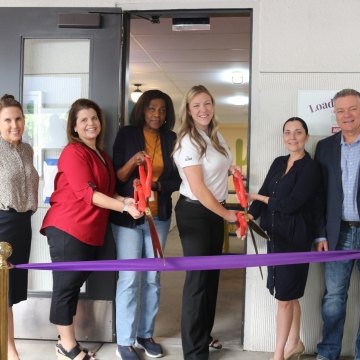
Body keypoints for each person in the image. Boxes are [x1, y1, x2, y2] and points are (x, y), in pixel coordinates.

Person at [40, 98, 141, 360]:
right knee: (66, 286)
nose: (90, 123)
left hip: (90, 230)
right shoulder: (73, 152)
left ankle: (65, 339)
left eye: (94, 118)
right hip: (67, 227)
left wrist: (126, 201)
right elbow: (89, 194)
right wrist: (124, 208)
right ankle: (67, 346)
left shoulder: (102, 155)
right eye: (83, 120)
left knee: (72, 284)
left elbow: (107, 193)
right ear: (74, 127)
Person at [110, 89, 181, 360]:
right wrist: (134, 161)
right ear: (143, 110)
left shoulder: (171, 138)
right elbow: (117, 175)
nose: (157, 114)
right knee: (129, 279)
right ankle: (125, 341)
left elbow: (176, 180)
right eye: (152, 108)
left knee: (153, 278)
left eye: (162, 110)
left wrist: (156, 184)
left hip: (159, 217)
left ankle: (145, 334)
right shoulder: (127, 134)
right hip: (128, 217)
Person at [172, 84, 239, 360]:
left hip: (213, 212)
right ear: (188, 110)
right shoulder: (188, 140)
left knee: (211, 278)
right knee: (198, 282)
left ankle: (203, 335)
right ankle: (194, 352)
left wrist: (231, 168)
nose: (203, 109)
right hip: (196, 213)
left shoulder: (214, 135)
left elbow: (217, 169)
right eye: (197, 105)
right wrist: (227, 215)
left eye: (207, 103)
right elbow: (199, 188)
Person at [247, 117, 321, 360]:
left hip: (296, 239)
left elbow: (290, 205)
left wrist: (260, 199)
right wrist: (248, 217)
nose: (292, 137)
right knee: (289, 295)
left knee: (285, 298)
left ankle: (278, 355)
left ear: (306, 137)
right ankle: (295, 343)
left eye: (298, 132)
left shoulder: (311, 168)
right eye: (287, 132)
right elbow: (266, 192)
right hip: (275, 237)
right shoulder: (279, 162)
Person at [315, 89, 360, 360]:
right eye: (341, 110)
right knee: (334, 299)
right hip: (337, 233)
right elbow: (319, 195)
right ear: (334, 114)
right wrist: (320, 234)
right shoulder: (325, 147)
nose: (347, 115)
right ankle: (328, 352)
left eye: (352, 108)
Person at [0, 94, 39, 360]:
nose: (14, 124)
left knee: (7, 296)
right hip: (2, 224)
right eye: (7, 120)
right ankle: (10, 350)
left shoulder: (27, 149)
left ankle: (9, 347)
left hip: (22, 225)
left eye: (18, 118)